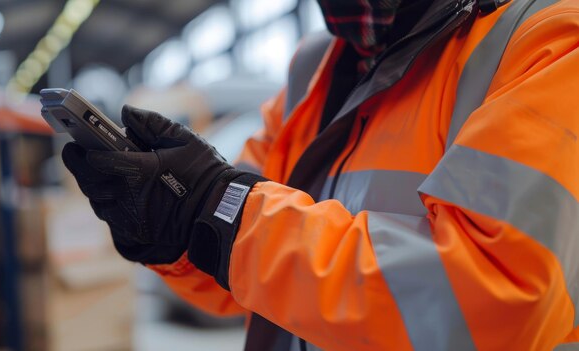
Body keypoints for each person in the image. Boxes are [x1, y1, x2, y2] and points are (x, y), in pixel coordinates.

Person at [61, 0, 579, 349]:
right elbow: (238, 280)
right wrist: (171, 226)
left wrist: (221, 209)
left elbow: (499, 300)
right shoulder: (317, 69)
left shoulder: (551, 43)